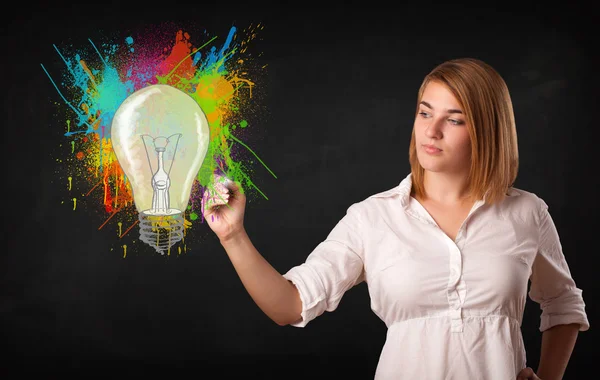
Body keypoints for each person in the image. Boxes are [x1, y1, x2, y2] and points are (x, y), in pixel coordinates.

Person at [200, 58, 590, 379]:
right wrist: (233, 235)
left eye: (454, 119)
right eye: (425, 113)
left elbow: (564, 305)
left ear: (488, 131)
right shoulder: (373, 217)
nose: (431, 131)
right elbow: (290, 305)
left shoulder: (527, 212)